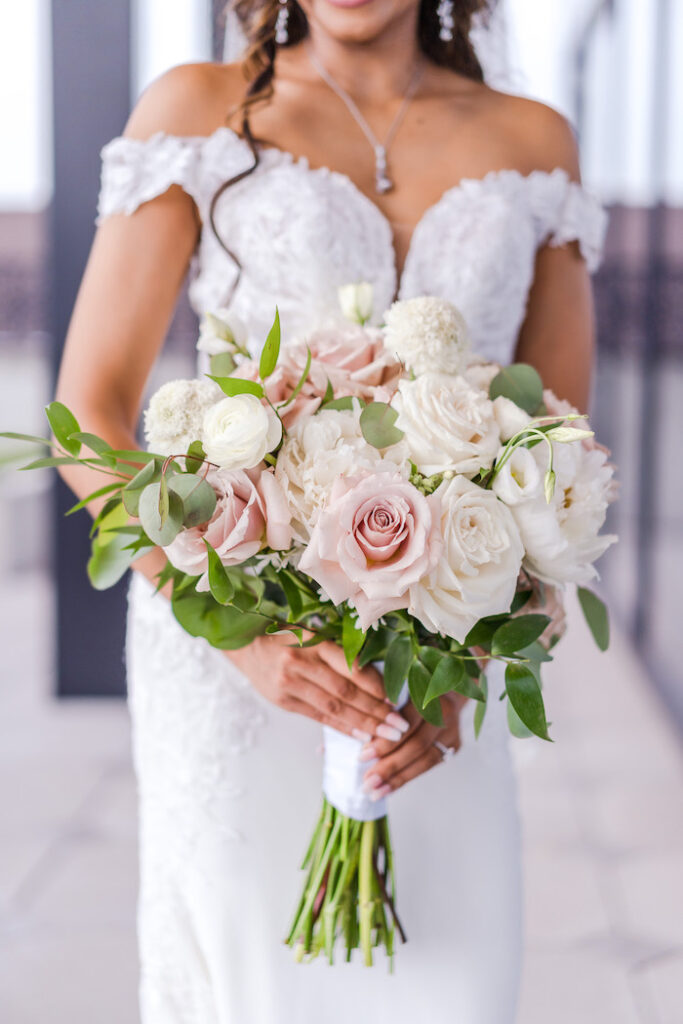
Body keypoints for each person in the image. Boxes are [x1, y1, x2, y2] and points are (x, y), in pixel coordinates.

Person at [55, 0, 606, 1020]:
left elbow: (559, 443)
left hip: (438, 667)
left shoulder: (533, 140)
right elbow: (88, 411)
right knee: (249, 980)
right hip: (232, 653)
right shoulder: (196, 110)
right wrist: (231, 631)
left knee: (454, 985)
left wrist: (473, 659)